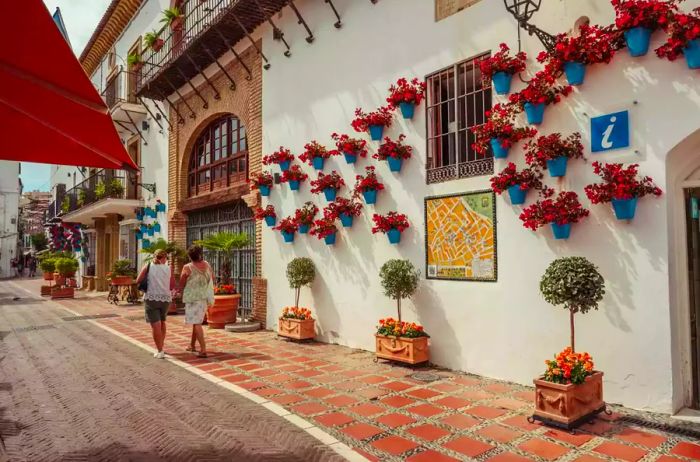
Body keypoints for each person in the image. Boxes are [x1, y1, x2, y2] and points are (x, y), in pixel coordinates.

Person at [136, 249, 174, 359]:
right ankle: (161, 346)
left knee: (155, 325)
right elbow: (171, 285)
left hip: (151, 298)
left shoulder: (148, 265)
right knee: (162, 322)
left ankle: (160, 350)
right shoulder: (168, 268)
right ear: (164, 258)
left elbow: (138, 280)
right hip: (166, 299)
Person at [179, 245, 214, 358]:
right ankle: (192, 345)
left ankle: (203, 349)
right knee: (197, 321)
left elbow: (181, 282)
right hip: (203, 297)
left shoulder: (187, 267)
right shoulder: (207, 265)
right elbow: (212, 278)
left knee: (197, 323)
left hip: (192, 299)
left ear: (190, 256)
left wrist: (179, 292)